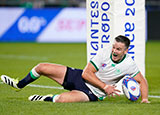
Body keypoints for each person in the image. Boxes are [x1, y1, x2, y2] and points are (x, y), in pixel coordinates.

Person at [1, 35, 150, 103]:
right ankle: (18, 85)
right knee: (41, 67)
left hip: (93, 93)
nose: (115, 51)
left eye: (118, 49)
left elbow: (142, 81)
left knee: (61, 99)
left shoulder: (129, 64)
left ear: (126, 50)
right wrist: (105, 86)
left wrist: (144, 99)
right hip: (79, 77)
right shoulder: (105, 52)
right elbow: (86, 74)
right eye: (114, 47)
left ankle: (42, 98)